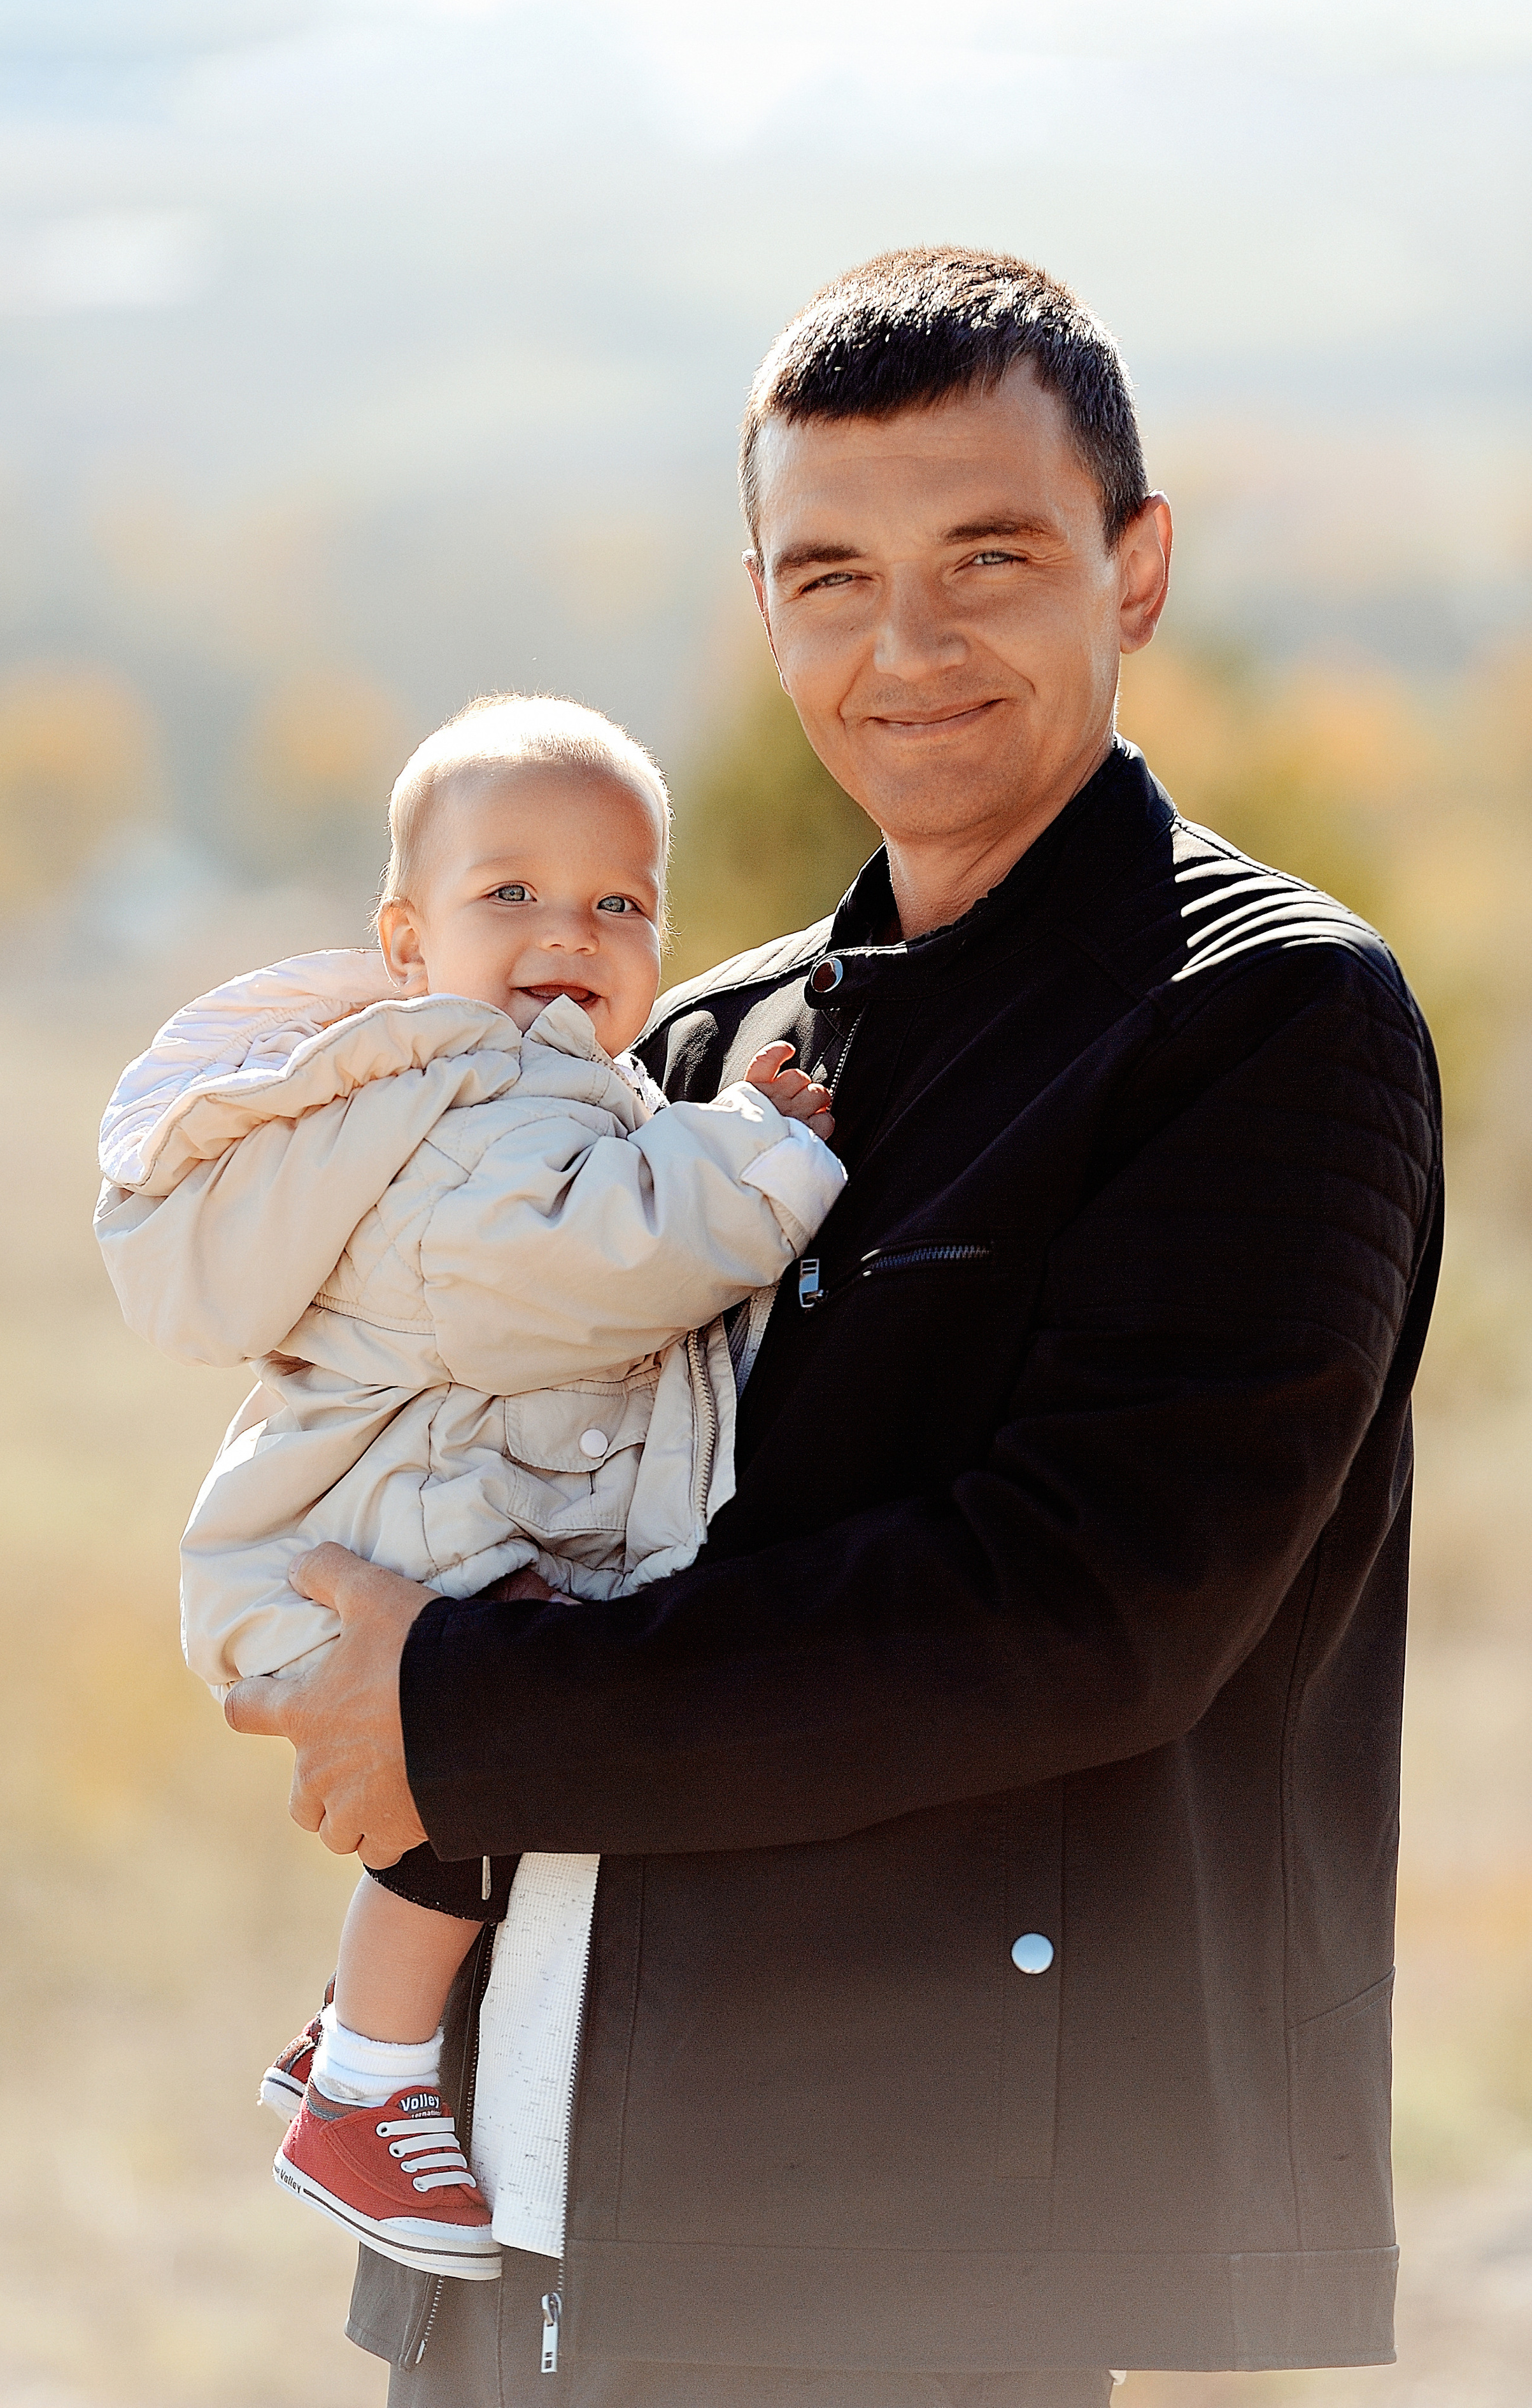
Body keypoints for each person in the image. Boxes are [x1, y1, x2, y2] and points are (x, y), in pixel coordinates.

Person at [223, 249, 1444, 2408]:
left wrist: (459, 1704)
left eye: (990, 556)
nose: (906, 646)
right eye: (830, 573)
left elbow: (1083, 1612)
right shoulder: (689, 1038)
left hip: (905, 2246)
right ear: (765, 599)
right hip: (507, 2210)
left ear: (1133, 566)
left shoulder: (1264, 1020)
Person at [94, 695, 844, 2281]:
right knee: (504, 1700)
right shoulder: (455, 1094)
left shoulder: (539, 1081)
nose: (569, 930)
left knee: (525, 1707)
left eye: (617, 902)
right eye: (510, 892)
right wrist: (758, 1157)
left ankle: (355, 2032)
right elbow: (568, 1275)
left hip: (407, 1516)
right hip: (359, 1564)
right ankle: (364, 2085)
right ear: (405, 937)